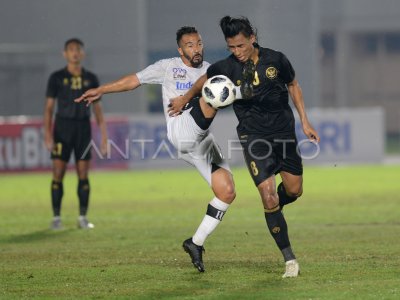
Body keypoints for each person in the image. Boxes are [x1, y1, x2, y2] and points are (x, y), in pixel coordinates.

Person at [168, 16, 320, 278]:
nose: (236, 52)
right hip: (253, 137)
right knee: (268, 194)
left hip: (284, 134)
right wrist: (183, 98)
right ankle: (290, 260)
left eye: (240, 46)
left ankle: (274, 212)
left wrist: (305, 122)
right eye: (231, 48)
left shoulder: (276, 60)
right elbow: (202, 82)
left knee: (294, 191)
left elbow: (293, 85)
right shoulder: (226, 67)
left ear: (252, 38)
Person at [74, 26, 236, 272]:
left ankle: (195, 242)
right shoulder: (168, 67)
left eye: (199, 43)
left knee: (227, 192)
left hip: (202, 141)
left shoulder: (209, 69)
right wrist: (102, 90)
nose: (196, 49)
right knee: (213, 91)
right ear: (180, 49)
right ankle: (208, 100)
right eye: (190, 45)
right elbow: (133, 81)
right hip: (181, 131)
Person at [44, 38, 108, 230]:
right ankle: (56, 218)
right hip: (62, 129)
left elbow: (98, 110)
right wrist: (47, 134)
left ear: (83, 54)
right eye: (71, 49)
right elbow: (48, 108)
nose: (74, 53)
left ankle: (82, 217)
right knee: (58, 173)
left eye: (78, 49)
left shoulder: (92, 79)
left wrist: (104, 137)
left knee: (83, 173)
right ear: (65, 54)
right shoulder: (56, 78)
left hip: (83, 128)